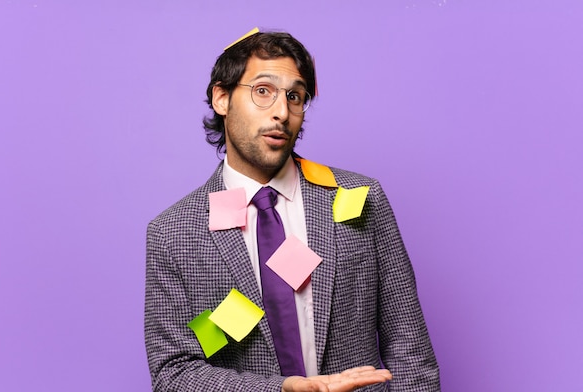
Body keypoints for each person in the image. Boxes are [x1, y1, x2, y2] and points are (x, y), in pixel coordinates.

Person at [144, 30, 440, 391]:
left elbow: (410, 348)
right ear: (222, 97)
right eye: (263, 91)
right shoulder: (173, 232)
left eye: (295, 96)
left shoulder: (362, 199)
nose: (282, 112)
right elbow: (175, 373)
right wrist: (280, 390)